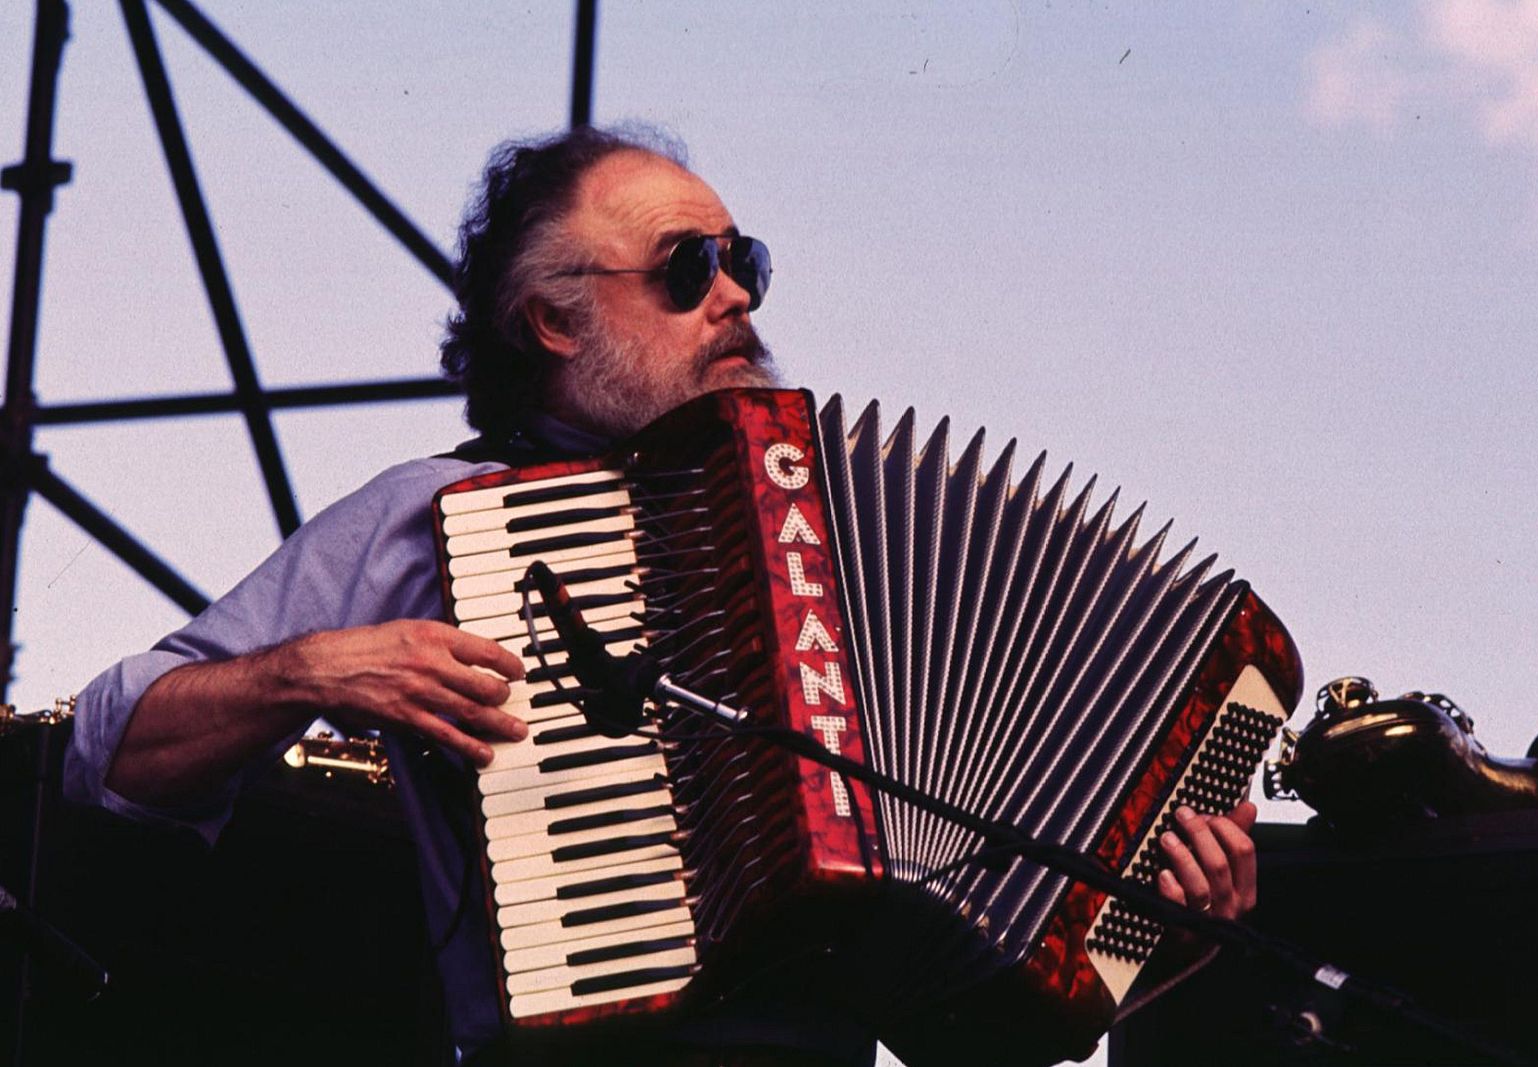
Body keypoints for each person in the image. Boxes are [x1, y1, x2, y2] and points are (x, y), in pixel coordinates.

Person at [65, 125, 1258, 1065]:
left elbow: (981, 1033)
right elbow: (113, 748)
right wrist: (314, 666)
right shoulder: (438, 511)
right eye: (689, 268)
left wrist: (1150, 935)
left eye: (746, 262)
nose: (736, 296)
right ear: (553, 319)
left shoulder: (839, 539)